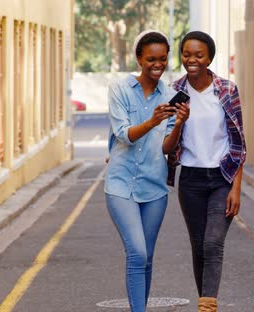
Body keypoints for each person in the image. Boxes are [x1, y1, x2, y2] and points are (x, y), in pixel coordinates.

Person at [104, 30, 189, 312]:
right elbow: (123, 135)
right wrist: (153, 121)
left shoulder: (170, 94)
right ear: (139, 59)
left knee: (147, 256)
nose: (157, 64)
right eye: (151, 59)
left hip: (154, 188)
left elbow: (166, 148)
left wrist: (177, 124)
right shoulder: (119, 89)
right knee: (137, 252)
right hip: (120, 185)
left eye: (163, 59)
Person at [167, 31, 247, 312]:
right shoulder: (175, 91)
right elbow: (166, 143)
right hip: (190, 179)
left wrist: (236, 187)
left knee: (213, 243)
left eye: (198, 55)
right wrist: (178, 122)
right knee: (199, 247)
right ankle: (206, 302)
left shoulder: (226, 90)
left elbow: (238, 143)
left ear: (209, 58)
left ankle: (207, 307)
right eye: (187, 54)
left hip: (221, 178)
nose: (192, 60)